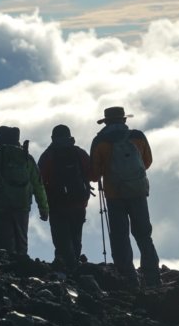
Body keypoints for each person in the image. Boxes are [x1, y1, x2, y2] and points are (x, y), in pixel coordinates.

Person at [89, 106, 161, 287]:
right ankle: (152, 277)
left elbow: (94, 174)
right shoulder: (138, 137)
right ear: (124, 120)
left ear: (106, 122)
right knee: (144, 234)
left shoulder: (100, 141)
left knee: (120, 236)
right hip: (137, 191)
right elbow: (147, 162)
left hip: (114, 194)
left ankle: (128, 278)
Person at [0, 126, 49, 255]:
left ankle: (8, 269)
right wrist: (44, 208)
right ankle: (23, 267)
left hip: (0, 205)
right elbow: (38, 185)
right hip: (22, 206)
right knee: (22, 241)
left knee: (5, 242)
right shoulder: (27, 158)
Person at [37, 124, 93, 273]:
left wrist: (43, 204)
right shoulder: (78, 153)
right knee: (76, 237)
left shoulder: (48, 155)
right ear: (70, 136)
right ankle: (74, 266)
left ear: (52, 138)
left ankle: (64, 268)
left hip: (57, 204)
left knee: (61, 239)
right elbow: (91, 174)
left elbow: (39, 180)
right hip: (79, 203)